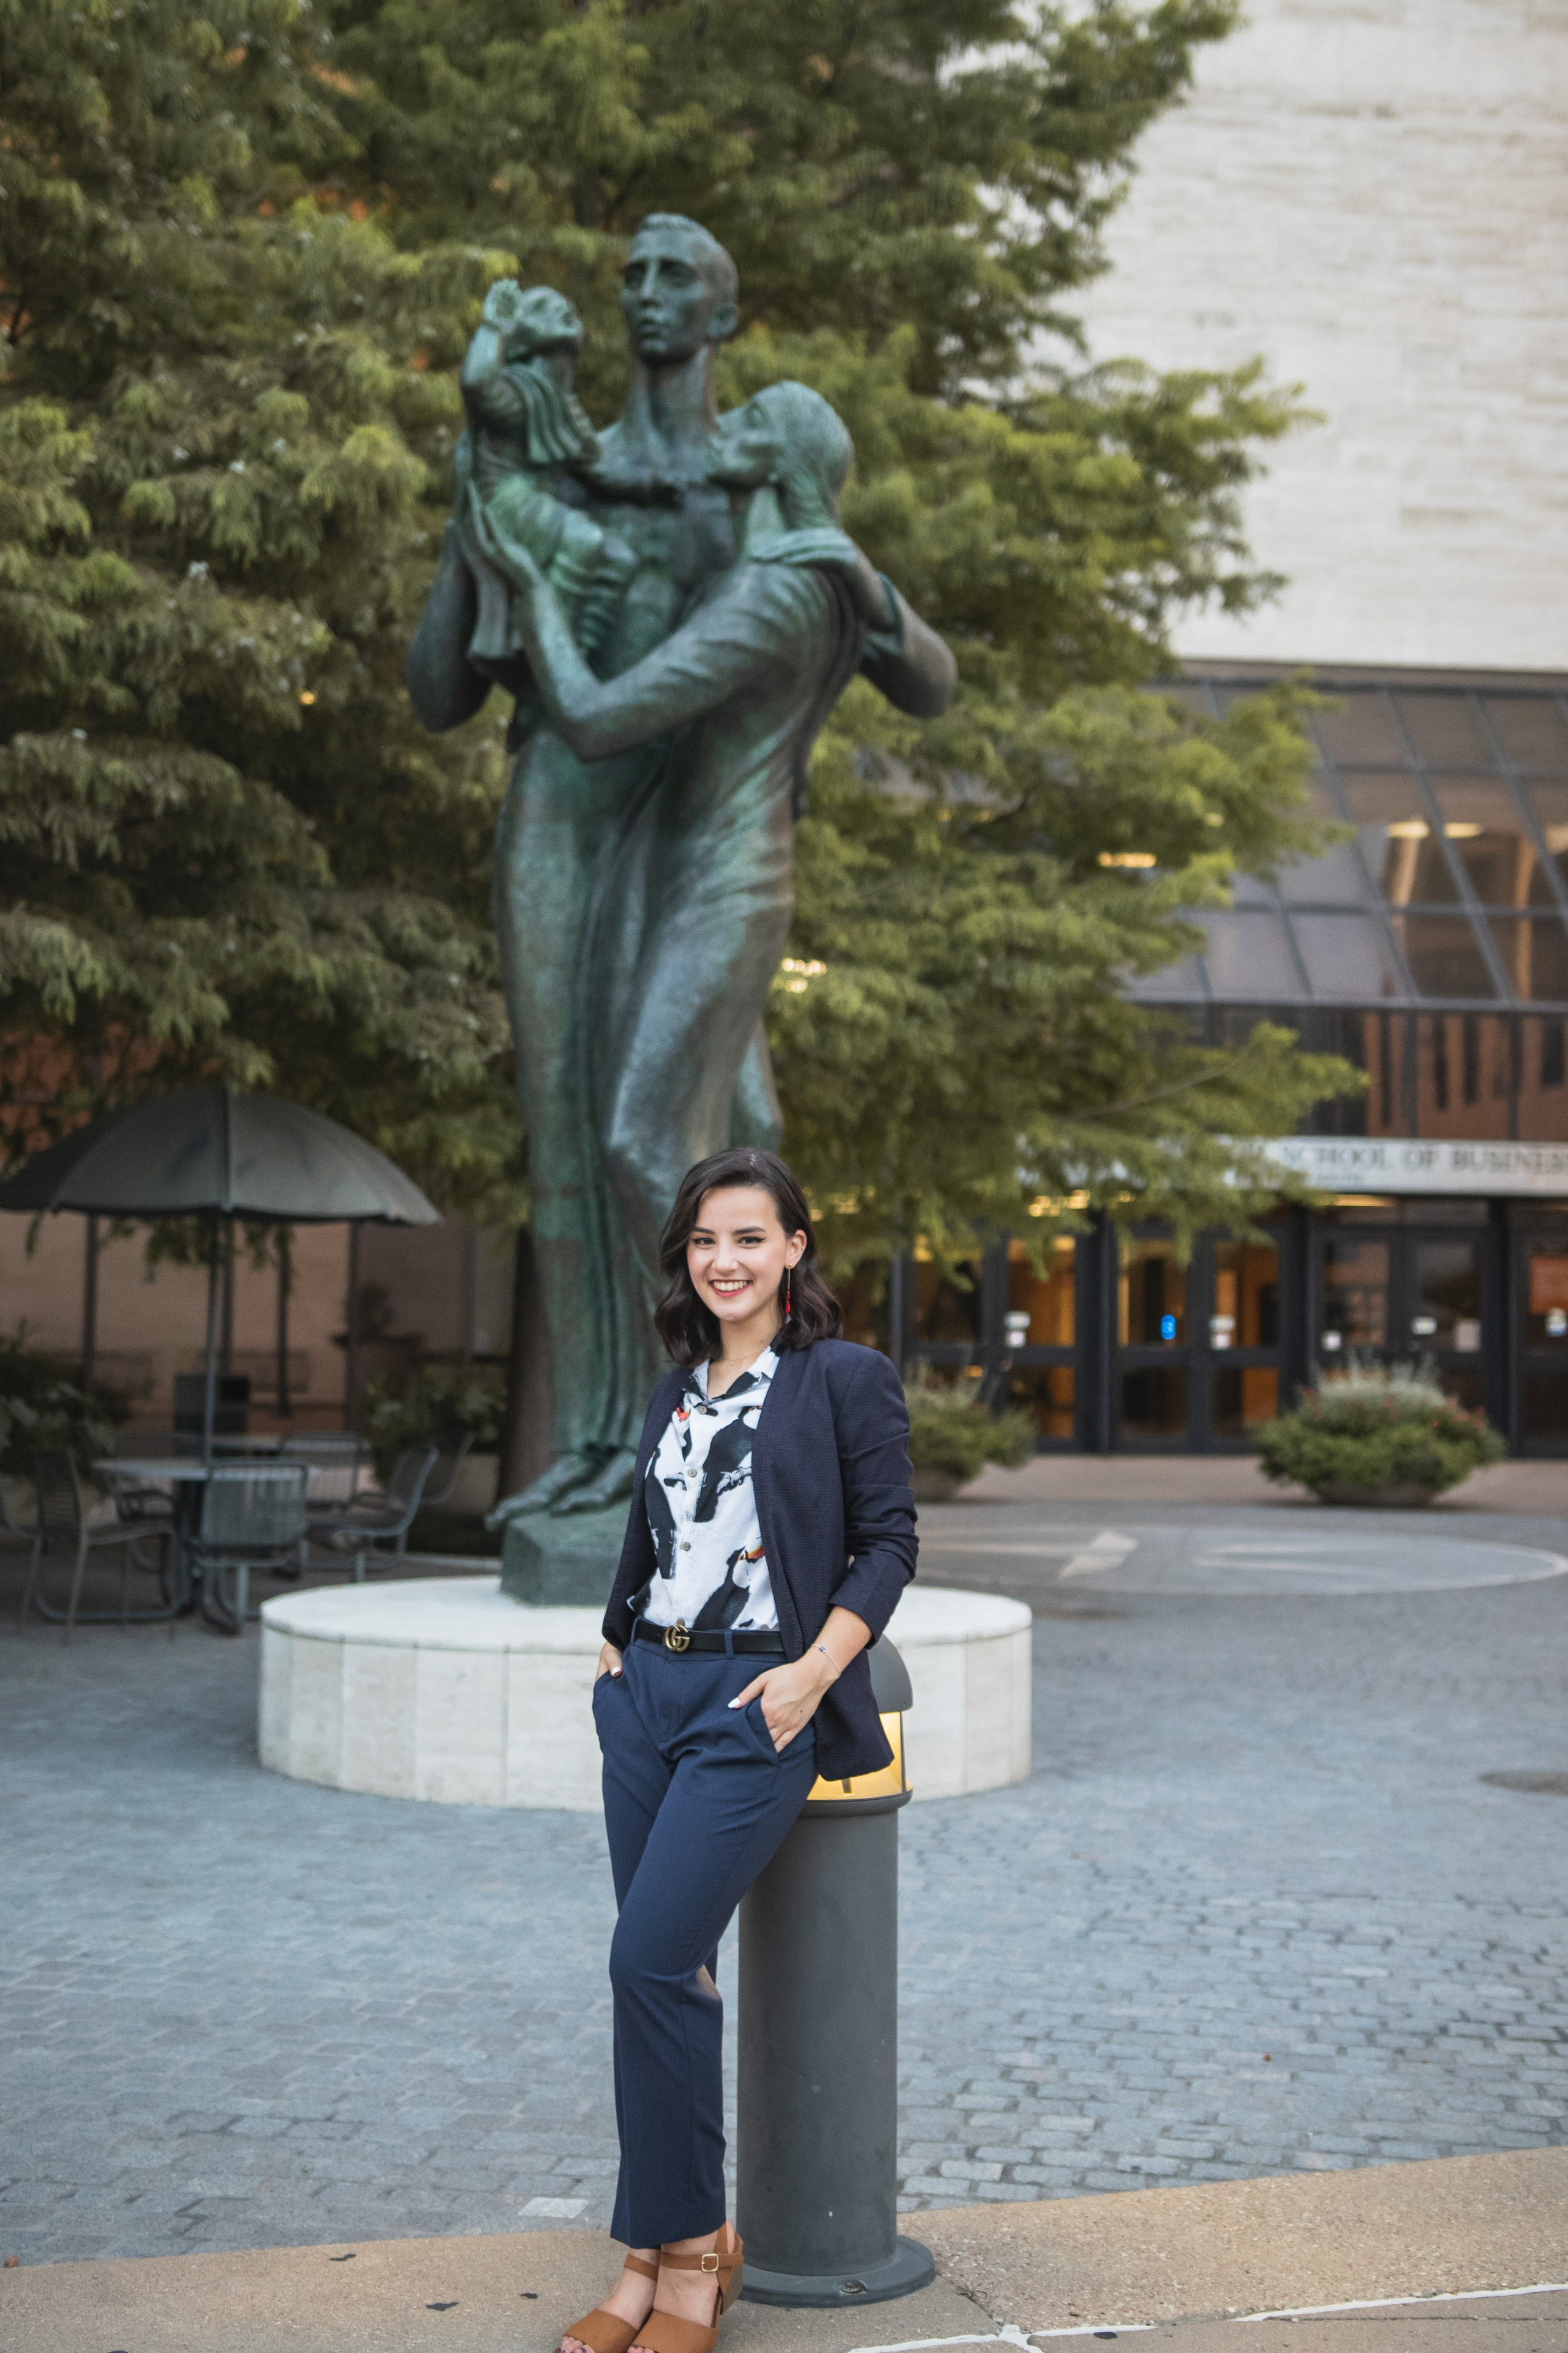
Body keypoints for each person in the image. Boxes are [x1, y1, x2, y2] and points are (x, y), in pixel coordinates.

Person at [467, 377, 955, 1360]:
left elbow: (599, 719)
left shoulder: (770, 595)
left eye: (753, 421)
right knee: (749, 1129)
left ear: (780, 463)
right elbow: (933, 677)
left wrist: (533, 592)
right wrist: (857, 564)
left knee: (641, 1139)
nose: (724, 427)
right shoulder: (821, 579)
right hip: (717, 873)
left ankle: (744, 1371)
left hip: (718, 882)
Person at [554, 1145, 917, 2353]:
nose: (724, 1260)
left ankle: (688, 2257)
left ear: (794, 1248)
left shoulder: (841, 1378)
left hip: (753, 1700)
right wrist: (612, 1643)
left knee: (647, 1963)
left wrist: (813, 1673)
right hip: (646, 1697)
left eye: (749, 1238)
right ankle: (660, 2250)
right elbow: (651, 1530)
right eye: (706, 1240)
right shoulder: (675, 1387)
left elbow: (888, 1543)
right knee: (659, 1977)